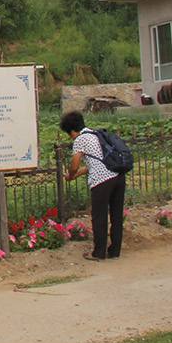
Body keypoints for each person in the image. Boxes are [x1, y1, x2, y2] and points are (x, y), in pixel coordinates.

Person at [62, 111, 125, 261]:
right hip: (118, 176)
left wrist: (70, 175)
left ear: (71, 130)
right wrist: (76, 176)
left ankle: (99, 253)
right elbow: (94, 164)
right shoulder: (97, 135)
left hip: (101, 182)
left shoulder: (80, 140)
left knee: (99, 217)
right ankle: (115, 251)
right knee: (116, 216)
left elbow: (75, 164)